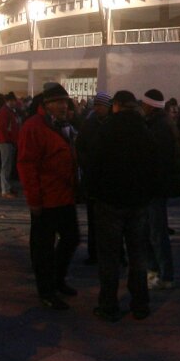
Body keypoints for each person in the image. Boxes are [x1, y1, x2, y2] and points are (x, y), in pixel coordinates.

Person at [84, 90, 158, 321]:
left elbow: (92, 164)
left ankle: (108, 305)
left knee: (109, 258)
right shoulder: (145, 131)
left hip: (109, 201)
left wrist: (92, 192)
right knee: (138, 255)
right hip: (137, 203)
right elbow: (154, 167)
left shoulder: (105, 130)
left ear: (115, 105)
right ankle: (140, 303)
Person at [17, 82, 80, 310]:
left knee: (71, 238)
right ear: (46, 105)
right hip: (46, 198)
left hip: (64, 195)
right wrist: (34, 199)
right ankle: (46, 290)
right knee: (43, 247)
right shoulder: (34, 127)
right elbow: (26, 164)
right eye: (57, 102)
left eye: (64, 101)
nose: (62, 106)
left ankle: (57, 279)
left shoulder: (63, 125)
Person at [141, 88, 180, 290]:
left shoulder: (158, 129)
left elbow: (157, 161)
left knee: (156, 232)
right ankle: (157, 271)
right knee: (153, 231)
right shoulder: (162, 125)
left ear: (150, 105)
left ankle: (164, 275)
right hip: (156, 187)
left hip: (154, 188)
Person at [75, 92, 112, 266]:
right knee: (93, 218)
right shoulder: (89, 125)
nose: (97, 108)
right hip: (92, 177)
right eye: (96, 105)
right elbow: (80, 147)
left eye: (100, 105)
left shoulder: (114, 124)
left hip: (109, 178)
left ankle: (114, 253)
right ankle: (94, 253)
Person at [0, 93, 21, 197]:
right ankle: (5, 190)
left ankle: (7, 187)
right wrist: (10, 139)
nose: (15, 103)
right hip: (6, 141)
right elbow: (3, 128)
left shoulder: (10, 111)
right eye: (14, 101)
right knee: (6, 165)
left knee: (8, 165)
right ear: (9, 101)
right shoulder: (4, 112)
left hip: (9, 141)